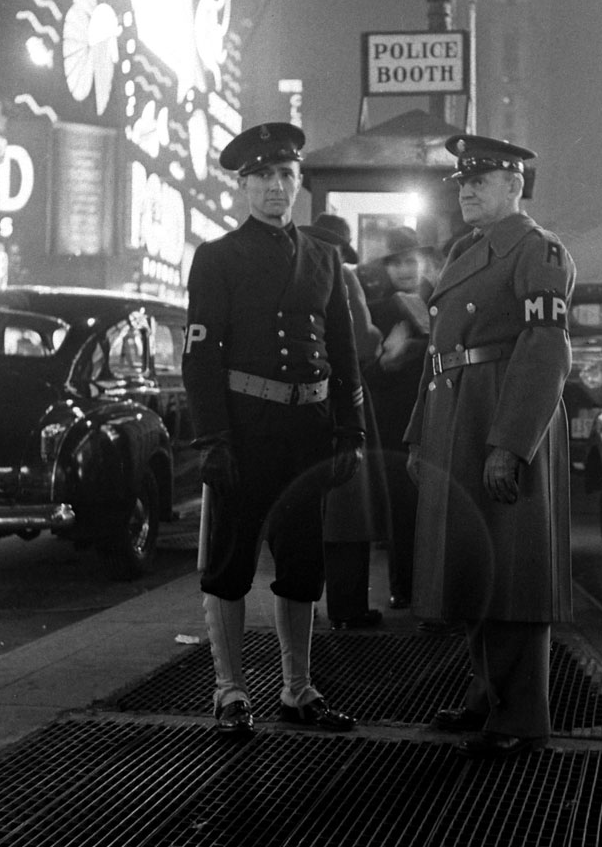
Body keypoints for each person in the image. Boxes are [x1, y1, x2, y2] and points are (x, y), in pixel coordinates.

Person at [182, 122, 366, 739]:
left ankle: (297, 689)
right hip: (247, 427)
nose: (274, 188)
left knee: (302, 563)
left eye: (284, 176)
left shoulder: (324, 256)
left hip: (307, 431)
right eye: (261, 177)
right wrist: (212, 438)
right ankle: (230, 691)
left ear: (298, 183)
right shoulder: (217, 258)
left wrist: (350, 428)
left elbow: (342, 349)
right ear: (242, 186)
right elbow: (201, 356)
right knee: (231, 565)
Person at [404, 133, 576, 759]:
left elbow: (545, 348)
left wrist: (511, 442)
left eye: (482, 180)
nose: (468, 190)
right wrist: (423, 436)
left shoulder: (540, 251)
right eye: (462, 182)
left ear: (515, 186)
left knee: (513, 570)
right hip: (459, 410)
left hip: (502, 410)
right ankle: (487, 696)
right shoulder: (466, 251)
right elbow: (439, 352)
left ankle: (523, 715)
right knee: (475, 565)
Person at [299, 213, 391, 630]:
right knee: (349, 507)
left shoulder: (293, 269)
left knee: (310, 512)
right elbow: (364, 342)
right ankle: (348, 607)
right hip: (345, 398)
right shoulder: (342, 274)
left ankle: (302, 606)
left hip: (302, 403)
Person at [361, 226, 433, 614]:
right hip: (395, 429)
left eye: (411, 260)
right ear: (387, 269)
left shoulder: (442, 302)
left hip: (437, 418)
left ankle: (437, 587)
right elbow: (365, 374)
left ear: (423, 262)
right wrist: (387, 362)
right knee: (402, 511)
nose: (405, 268)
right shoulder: (377, 311)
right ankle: (404, 588)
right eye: (397, 262)